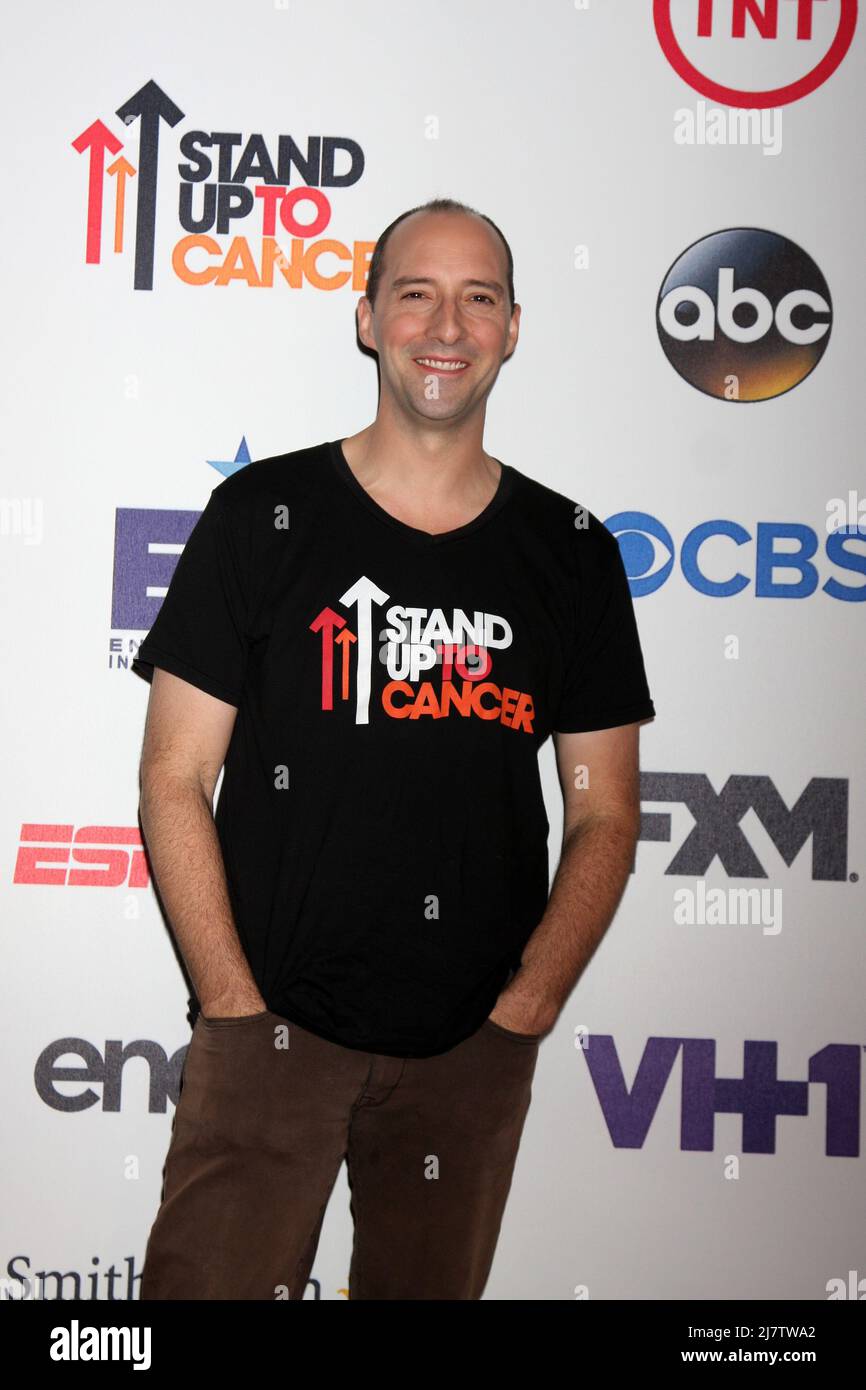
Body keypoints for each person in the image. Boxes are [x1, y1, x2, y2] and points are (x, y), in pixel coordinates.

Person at [132, 196, 656, 1300]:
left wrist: (522, 1011)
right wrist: (231, 1004)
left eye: (477, 298)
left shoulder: (569, 554)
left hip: (468, 1052)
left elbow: (603, 811)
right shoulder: (261, 515)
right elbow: (175, 776)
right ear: (366, 318)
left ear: (513, 328)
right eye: (415, 292)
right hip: (267, 1034)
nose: (445, 325)